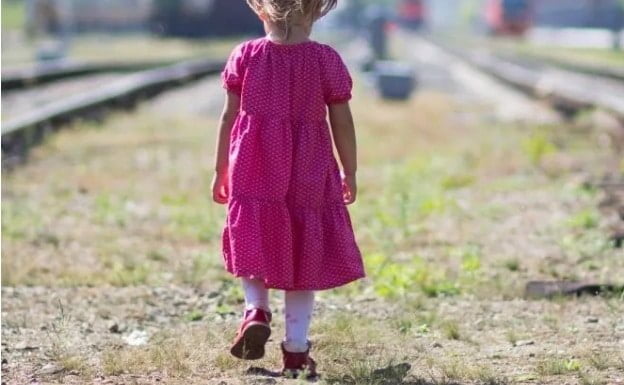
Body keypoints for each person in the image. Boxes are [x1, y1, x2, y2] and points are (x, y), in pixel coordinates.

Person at [211, 0, 365, 378]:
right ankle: (296, 350)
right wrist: (350, 170)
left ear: (261, 11)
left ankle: (255, 310)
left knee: (254, 234)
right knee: (304, 248)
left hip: (254, 162)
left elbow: (229, 116)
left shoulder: (246, 55)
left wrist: (220, 169)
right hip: (309, 164)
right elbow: (342, 121)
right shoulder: (325, 60)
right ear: (316, 13)